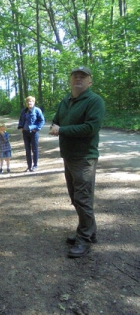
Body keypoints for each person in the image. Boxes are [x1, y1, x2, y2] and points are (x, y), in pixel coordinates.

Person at [49, 66, 105, 259]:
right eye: (75, 76)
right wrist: (55, 126)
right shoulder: (66, 100)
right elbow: (57, 121)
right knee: (76, 198)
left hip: (84, 157)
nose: (78, 79)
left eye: (83, 76)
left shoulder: (94, 101)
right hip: (69, 156)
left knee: (83, 198)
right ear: (70, 80)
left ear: (90, 81)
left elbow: (90, 128)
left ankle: (85, 239)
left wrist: (61, 130)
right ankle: (89, 230)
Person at [18, 96, 45, 172]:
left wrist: (36, 128)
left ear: (33, 102)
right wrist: (21, 127)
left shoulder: (37, 110)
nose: (29, 103)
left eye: (31, 101)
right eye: (27, 101)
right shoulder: (24, 111)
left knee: (35, 150)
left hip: (34, 133)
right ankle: (29, 166)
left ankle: (35, 165)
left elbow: (42, 121)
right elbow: (21, 120)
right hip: (25, 133)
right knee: (27, 150)